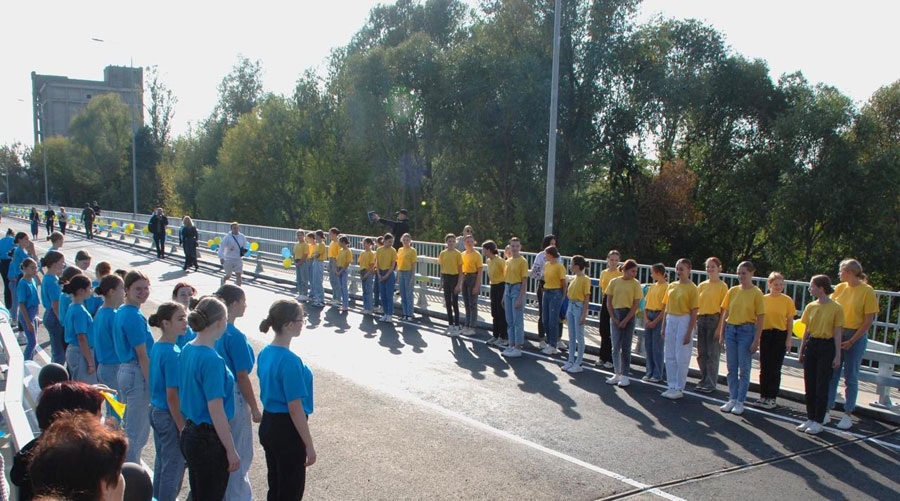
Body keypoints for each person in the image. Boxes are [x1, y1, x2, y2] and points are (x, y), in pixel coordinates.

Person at [179, 296, 239, 499]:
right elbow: (216, 410)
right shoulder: (212, 359)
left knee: (198, 493)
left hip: (190, 431)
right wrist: (230, 449)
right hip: (209, 439)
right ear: (220, 322)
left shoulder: (188, 349)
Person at [257, 299, 317, 499]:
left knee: (275, 486)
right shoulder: (290, 361)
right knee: (290, 491)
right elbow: (295, 408)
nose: (303, 323)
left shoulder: (265, 352)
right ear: (289, 325)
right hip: (287, 429)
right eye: (301, 320)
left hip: (269, 422)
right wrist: (309, 444)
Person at [12, 382, 109, 501]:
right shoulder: (80, 465)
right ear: (77, 424)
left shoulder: (31, 455)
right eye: (99, 418)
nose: (102, 426)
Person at [214, 285, 260, 500]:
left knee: (225, 450)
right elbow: (242, 376)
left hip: (217, 393)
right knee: (240, 452)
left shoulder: (211, 330)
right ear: (233, 304)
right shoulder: (234, 335)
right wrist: (254, 408)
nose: (245, 305)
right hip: (234, 395)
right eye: (243, 301)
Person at [827, 258, 879, 430]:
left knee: (851, 375)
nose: (839, 274)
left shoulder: (867, 291)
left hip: (856, 335)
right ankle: (826, 410)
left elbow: (868, 321)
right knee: (832, 373)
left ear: (849, 272)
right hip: (838, 333)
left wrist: (851, 340)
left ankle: (848, 413)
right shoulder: (840, 288)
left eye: (841, 271)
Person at [148, 302, 188, 501]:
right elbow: (172, 394)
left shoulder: (159, 345)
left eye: (185, 317)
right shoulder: (173, 353)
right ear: (166, 323)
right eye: (180, 319)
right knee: (173, 466)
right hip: (168, 414)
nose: (185, 322)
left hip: (156, 409)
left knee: (162, 463)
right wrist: (182, 426)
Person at [114, 270, 154, 464]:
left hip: (125, 370)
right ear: (127, 289)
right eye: (138, 289)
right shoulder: (133, 316)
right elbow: (142, 355)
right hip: (137, 373)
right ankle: (130, 473)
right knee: (136, 434)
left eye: (146, 288)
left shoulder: (122, 310)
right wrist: (152, 385)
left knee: (129, 427)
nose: (143, 292)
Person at [796, 275, 844, 435]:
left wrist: (837, 355)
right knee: (809, 383)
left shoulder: (836, 308)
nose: (810, 289)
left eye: (812, 286)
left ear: (821, 288)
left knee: (821, 384)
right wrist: (802, 349)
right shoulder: (810, 306)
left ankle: (819, 420)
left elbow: (837, 333)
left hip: (827, 345)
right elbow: (806, 330)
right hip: (812, 344)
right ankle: (810, 417)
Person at [717, 261, 765, 416]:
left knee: (744, 368)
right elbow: (725, 312)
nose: (741, 276)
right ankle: (732, 398)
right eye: (739, 273)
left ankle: (740, 401)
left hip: (746, 330)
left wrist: (756, 339)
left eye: (744, 273)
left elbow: (760, 317)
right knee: (731, 367)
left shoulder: (756, 293)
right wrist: (722, 333)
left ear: (751, 273)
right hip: (731, 329)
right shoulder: (733, 290)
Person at [757, 272, 797, 409]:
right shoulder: (763, 299)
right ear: (769, 285)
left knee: (775, 368)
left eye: (781, 284)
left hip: (779, 335)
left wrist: (789, 340)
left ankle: (772, 398)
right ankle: (763, 396)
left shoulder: (787, 300)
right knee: (764, 367)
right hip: (765, 334)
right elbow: (758, 319)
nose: (778, 287)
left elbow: (790, 321)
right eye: (775, 284)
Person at [661, 258, 700, 399]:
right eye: (677, 269)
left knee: (681, 355)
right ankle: (671, 385)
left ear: (689, 270)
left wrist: (689, 332)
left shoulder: (692, 288)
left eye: (682, 269)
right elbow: (666, 307)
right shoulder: (672, 285)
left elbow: (694, 311)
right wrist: (663, 326)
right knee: (669, 354)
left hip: (684, 319)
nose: (679, 271)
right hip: (671, 319)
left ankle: (679, 387)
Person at [606, 259, 643, 387]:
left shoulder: (636, 284)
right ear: (625, 270)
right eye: (632, 271)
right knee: (615, 346)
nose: (634, 274)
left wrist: (626, 320)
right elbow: (609, 301)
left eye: (636, 272)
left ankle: (625, 375)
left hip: (629, 314)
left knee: (626, 347)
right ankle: (617, 373)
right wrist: (614, 318)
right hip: (616, 312)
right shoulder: (614, 281)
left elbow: (636, 304)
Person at [695, 257, 728, 393]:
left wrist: (720, 328)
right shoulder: (702, 285)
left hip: (714, 319)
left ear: (719, 268)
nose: (710, 269)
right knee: (701, 353)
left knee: (712, 353)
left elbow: (724, 309)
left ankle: (711, 382)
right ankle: (703, 378)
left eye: (713, 266)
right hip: (701, 318)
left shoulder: (722, 286)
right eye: (708, 266)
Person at [63, 275, 97, 383]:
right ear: (82, 291)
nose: (91, 291)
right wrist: (90, 363)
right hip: (80, 352)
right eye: (89, 288)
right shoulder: (79, 311)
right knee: (86, 384)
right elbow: (81, 337)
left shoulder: (72, 306)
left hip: (75, 350)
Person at [94, 274, 126, 391]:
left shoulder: (101, 311)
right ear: (112, 292)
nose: (125, 292)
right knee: (117, 402)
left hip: (103, 366)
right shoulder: (113, 315)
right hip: (113, 367)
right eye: (122, 288)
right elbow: (121, 343)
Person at [562, 255, 591, 373]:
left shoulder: (585, 279)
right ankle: (570, 360)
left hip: (579, 307)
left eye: (572, 264)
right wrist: (567, 311)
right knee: (571, 335)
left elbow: (586, 298)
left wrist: (584, 314)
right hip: (571, 306)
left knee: (579, 335)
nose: (570, 266)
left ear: (577, 266)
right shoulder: (573, 278)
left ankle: (578, 362)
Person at [501, 238, 529, 358]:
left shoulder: (523, 261)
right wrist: (504, 296)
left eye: (517, 246)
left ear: (520, 247)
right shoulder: (508, 261)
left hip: (517, 289)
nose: (514, 248)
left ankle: (518, 346)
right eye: (513, 246)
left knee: (517, 320)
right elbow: (506, 278)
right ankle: (511, 344)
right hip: (508, 288)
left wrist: (520, 298)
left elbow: (524, 281)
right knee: (509, 319)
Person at [529, 235, 558, 347]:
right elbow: (534, 272)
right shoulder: (541, 256)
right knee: (543, 313)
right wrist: (543, 275)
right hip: (543, 284)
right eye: (551, 243)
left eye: (554, 244)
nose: (553, 246)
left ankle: (556, 339)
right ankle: (541, 339)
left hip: (555, 286)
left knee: (555, 314)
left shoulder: (558, 256)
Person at [597, 250, 623, 369]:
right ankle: (602, 356)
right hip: (606, 299)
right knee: (603, 329)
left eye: (616, 260)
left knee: (613, 330)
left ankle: (611, 359)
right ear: (607, 260)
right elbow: (602, 288)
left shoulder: (620, 273)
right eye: (611, 260)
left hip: (616, 301)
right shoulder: (603, 273)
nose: (613, 262)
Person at [40, 251, 66, 364]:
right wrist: (62, 321)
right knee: (59, 353)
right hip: (54, 316)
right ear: (55, 264)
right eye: (62, 262)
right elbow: (55, 304)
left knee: (57, 350)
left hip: (50, 314)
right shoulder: (52, 281)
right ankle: (55, 373)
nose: (64, 264)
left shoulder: (50, 277)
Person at [540, 246, 566, 355]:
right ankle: (550, 342)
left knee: (553, 320)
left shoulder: (559, 266)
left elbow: (563, 282)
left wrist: (563, 296)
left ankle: (553, 345)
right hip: (546, 292)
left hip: (555, 293)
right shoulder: (546, 265)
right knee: (545, 319)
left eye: (546, 254)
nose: (545, 256)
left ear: (550, 254)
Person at [482, 240, 507, 347]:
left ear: (489, 250)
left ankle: (502, 336)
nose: (483, 251)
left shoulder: (500, 261)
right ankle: (495, 335)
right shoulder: (489, 261)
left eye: (484, 249)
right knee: (494, 312)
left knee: (501, 312)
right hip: (493, 286)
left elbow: (506, 275)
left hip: (501, 286)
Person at [438, 233, 462, 335]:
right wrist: (441, 282)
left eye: (453, 241)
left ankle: (457, 326)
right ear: (446, 242)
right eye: (449, 241)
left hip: (454, 277)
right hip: (446, 277)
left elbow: (460, 271)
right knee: (447, 302)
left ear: (455, 242)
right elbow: (442, 269)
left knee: (454, 302)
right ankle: (450, 325)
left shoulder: (458, 253)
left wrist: (459, 284)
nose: (451, 243)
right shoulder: (443, 253)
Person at [16, 258, 40, 361]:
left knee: (34, 341)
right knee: (32, 342)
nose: (35, 270)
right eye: (32, 268)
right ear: (25, 269)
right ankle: (25, 363)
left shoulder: (33, 280)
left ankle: (30, 361)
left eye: (36, 268)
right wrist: (28, 322)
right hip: (27, 315)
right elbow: (22, 304)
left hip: (33, 314)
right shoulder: (23, 283)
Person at [459, 235, 483, 334]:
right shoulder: (462, 254)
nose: (469, 243)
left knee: (473, 304)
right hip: (465, 277)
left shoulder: (477, 254)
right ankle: (467, 324)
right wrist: (460, 282)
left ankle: (472, 326)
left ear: (474, 243)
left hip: (473, 277)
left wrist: (477, 286)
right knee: (466, 303)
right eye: (467, 241)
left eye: (471, 241)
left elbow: (480, 271)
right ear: (464, 243)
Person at [375, 233, 398, 323]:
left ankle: (390, 314)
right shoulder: (379, 250)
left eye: (392, 242)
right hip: (381, 272)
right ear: (384, 241)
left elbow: (393, 265)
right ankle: (385, 313)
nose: (390, 243)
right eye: (389, 241)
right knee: (383, 295)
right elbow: (377, 263)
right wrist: (379, 274)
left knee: (389, 295)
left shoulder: (393, 250)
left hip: (389, 273)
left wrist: (386, 275)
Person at [218, 222, 249, 287]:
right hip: (228, 258)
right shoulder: (228, 237)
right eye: (234, 228)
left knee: (239, 275)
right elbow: (221, 247)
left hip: (238, 259)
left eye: (237, 228)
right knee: (229, 275)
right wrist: (221, 257)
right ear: (231, 229)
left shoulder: (242, 237)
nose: (236, 229)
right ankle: (223, 279)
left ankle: (238, 290)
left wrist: (243, 252)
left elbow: (245, 246)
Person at [397, 233, 418, 321]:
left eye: (407, 240)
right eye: (404, 240)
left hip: (408, 272)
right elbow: (398, 263)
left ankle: (410, 314)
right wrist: (397, 275)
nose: (405, 242)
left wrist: (412, 277)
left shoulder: (412, 250)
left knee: (409, 294)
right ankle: (404, 313)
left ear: (410, 241)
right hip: (401, 272)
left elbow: (413, 264)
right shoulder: (400, 250)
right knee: (403, 294)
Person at [173, 282, 199, 347]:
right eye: (183, 295)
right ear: (175, 297)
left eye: (190, 294)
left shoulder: (196, 316)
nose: (187, 297)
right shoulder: (171, 317)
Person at [358, 237, 376, 315]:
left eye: (365, 243)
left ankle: (369, 308)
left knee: (368, 291)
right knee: (364, 291)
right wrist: (361, 273)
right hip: (362, 271)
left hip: (368, 271)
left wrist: (367, 274)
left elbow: (372, 266)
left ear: (369, 244)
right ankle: (365, 307)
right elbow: (360, 263)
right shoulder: (362, 253)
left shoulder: (371, 253)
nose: (364, 244)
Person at [334, 236, 352, 312]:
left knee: (344, 287)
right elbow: (337, 260)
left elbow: (347, 263)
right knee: (341, 287)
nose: (339, 243)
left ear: (343, 242)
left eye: (340, 242)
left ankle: (345, 305)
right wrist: (336, 270)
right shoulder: (341, 250)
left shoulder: (348, 251)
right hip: (339, 268)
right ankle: (343, 304)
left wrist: (340, 271)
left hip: (343, 270)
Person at [293, 229, 310, 301]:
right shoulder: (296, 244)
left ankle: (304, 294)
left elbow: (305, 254)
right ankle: (300, 293)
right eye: (298, 235)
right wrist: (294, 261)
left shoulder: (305, 244)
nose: (299, 237)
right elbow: (294, 253)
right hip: (297, 261)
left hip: (303, 262)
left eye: (300, 235)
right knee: (299, 279)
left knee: (304, 279)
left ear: (303, 236)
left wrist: (300, 262)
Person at [310, 230, 326, 307]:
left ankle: (321, 300)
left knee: (318, 281)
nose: (315, 237)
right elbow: (314, 254)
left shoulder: (321, 244)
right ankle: (317, 299)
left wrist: (314, 255)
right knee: (315, 281)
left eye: (316, 236)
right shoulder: (318, 244)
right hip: (316, 262)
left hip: (319, 262)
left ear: (319, 236)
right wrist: (314, 255)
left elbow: (316, 255)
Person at [327, 228, 342, 305]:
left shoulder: (338, 243)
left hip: (335, 261)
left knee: (336, 281)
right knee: (332, 280)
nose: (329, 235)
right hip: (331, 260)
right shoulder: (332, 242)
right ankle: (334, 297)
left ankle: (338, 298)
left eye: (331, 233)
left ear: (335, 234)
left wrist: (335, 265)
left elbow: (339, 255)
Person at [0, 229, 13, 310]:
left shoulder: (1, 241)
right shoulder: (13, 241)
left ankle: (8, 305)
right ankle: (13, 304)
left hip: (2, 263)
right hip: (10, 263)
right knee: (13, 284)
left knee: (6, 284)